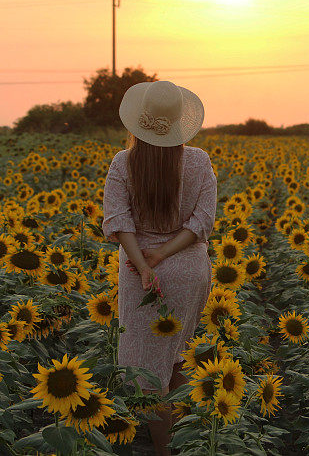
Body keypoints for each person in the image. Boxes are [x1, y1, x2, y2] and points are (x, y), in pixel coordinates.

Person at [102, 80, 217, 456]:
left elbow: (119, 222)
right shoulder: (199, 161)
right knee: (178, 352)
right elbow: (202, 222)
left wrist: (144, 262)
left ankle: (164, 451)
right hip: (188, 269)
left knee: (148, 372)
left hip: (139, 273)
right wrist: (164, 254)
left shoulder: (124, 162)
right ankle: (187, 436)